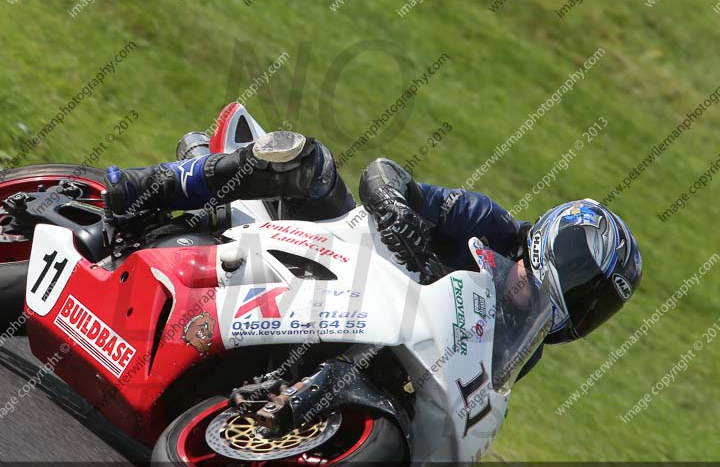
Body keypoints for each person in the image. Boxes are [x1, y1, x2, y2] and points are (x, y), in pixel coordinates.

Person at [104, 130, 643, 377]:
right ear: (552, 239)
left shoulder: (524, 349)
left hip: (360, 337)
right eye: (579, 277)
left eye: (590, 301)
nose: (575, 297)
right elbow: (385, 174)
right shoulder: (489, 223)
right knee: (308, 160)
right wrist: (394, 208)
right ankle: (148, 187)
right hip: (335, 249)